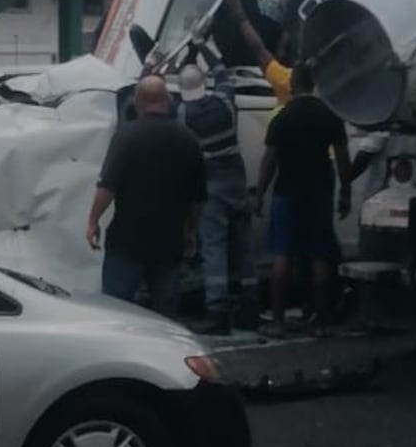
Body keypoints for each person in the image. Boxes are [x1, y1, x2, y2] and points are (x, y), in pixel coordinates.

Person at [87, 75, 206, 318]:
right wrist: (191, 231)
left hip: (127, 243)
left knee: (116, 313)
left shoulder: (126, 137)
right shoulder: (189, 140)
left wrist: (93, 221)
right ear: (168, 101)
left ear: (137, 102)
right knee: (165, 316)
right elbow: (198, 198)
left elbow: (107, 185)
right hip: (168, 243)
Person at [254, 62, 352, 336]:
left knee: (282, 255)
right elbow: (343, 159)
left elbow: (269, 161)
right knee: (320, 255)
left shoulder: (282, 118)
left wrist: (260, 194)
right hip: (319, 191)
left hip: (287, 191)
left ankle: (278, 321)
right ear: (314, 84)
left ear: (293, 84)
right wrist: (346, 191)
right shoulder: (330, 115)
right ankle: (321, 323)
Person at [178, 60, 258, 335]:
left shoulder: (184, 114)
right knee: (245, 247)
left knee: (214, 248)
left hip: (211, 188)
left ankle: (217, 311)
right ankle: (251, 309)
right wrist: (203, 47)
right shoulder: (224, 101)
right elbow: (224, 75)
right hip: (237, 181)